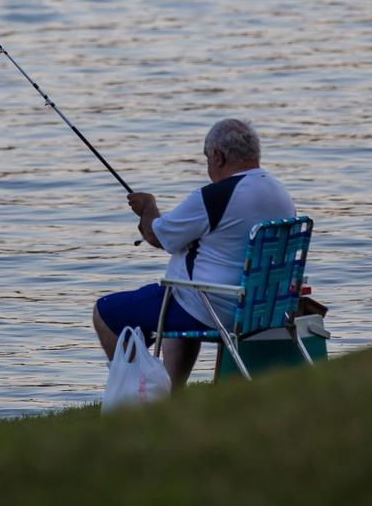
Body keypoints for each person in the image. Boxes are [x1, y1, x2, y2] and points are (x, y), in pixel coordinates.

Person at [92, 118, 296, 389]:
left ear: (218, 157)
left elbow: (156, 235)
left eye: (207, 159)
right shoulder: (278, 190)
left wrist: (148, 206)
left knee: (107, 312)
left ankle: (131, 396)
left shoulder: (217, 196)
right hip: (264, 306)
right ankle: (170, 395)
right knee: (174, 301)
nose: (208, 166)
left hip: (215, 307)